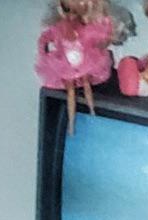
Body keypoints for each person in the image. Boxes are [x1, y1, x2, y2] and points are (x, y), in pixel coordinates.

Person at [35, 0, 117, 135]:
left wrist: (106, 23)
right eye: (68, 10)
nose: (71, 16)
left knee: (86, 85)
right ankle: (71, 124)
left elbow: (100, 35)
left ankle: (92, 112)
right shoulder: (58, 28)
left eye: (75, 11)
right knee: (71, 92)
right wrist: (43, 53)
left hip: (84, 62)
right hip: (66, 65)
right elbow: (44, 38)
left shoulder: (83, 28)